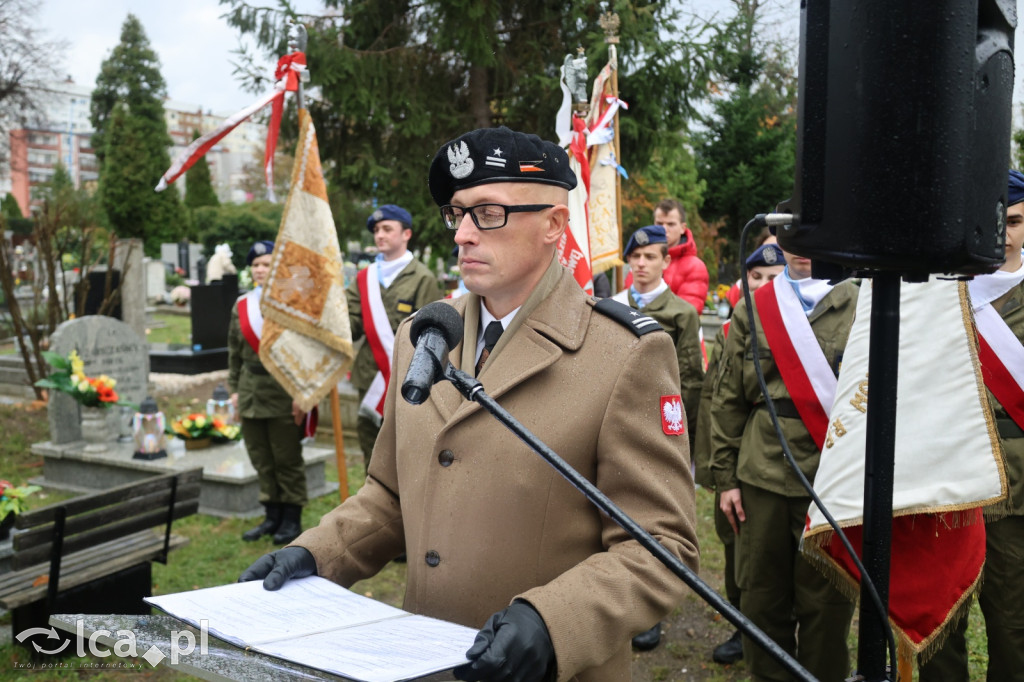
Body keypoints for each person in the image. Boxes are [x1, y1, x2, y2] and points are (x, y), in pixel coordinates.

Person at [240, 126, 700, 681]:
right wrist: (317, 555)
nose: (462, 234)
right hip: (425, 663)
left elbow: (659, 547)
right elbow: (390, 494)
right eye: (457, 213)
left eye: (488, 213)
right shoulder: (426, 335)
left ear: (555, 224)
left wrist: (553, 621)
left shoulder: (623, 353)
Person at [709, 244, 858, 681]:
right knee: (762, 601)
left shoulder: (860, 301)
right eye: (793, 237)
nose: (804, 249)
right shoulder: (755, 306)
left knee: (826, 607)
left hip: (832, 476)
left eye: (816, 237)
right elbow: (728, 397)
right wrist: (726, 479)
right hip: (762, 474)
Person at [918, 170, 1024, 681]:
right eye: (995, 222)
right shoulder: (938, 294)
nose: (1005, 233)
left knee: (1014, 625)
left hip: (1018, 492)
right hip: (949, 482)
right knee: (942, 621)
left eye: (1017, 221)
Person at [693, 241, 785, 665]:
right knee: (731, 544)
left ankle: (771, 628)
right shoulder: (734, 327)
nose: (764, 284)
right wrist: (714, 465)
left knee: (760, 552)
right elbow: (716, 397)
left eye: (773, 277)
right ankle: (739, 622)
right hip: (726, 456)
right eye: (756, 277)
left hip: (761, 458)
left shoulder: (788, 327)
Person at [613, 223, 704, 651]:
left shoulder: (682, 314)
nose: (642, 264)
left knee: (655, 520)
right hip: (612, 427)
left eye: (651, 256)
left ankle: (650, 610)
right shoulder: (608, 306)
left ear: (667, 261)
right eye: (636, 257)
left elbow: (690, 381)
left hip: (660, 430)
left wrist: (687, 442)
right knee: (613, 516)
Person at [346, 204, 442, 473]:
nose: (380, 235)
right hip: (369, 376)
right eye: (376, 230)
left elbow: (431, 337)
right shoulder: (364, 279)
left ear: (406, 234)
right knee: (371, 448)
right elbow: (352, 328)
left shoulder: (423, 278)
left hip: (406, 379)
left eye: (387, 229)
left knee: (405, 453)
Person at [228, 240, 308, 545]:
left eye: (266, 264)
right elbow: (234, 353)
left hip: (283, 391)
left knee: (285, 457)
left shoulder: (293, 302)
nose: (260, 270)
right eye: (256, 265)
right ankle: (271, 515)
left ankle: (292, 518)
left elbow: (304, 354)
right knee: (260, 456)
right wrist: (235, 390)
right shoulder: (242, 305)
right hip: (250, 391)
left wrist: (303, 395)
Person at [623, 198, 710, 312]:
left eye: (671, 224)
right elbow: (626, 302)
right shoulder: (641, 259)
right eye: (659, 223)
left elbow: (686, 314)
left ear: (683, 228)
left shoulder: (695, 267)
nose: (664, 229)